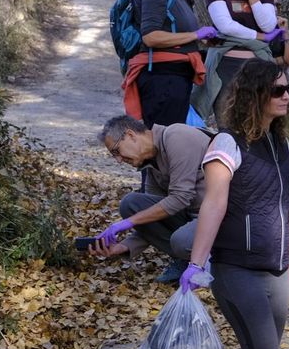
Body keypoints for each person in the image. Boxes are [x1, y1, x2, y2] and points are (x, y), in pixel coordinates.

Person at [180, 60, 289, 349]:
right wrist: (196, 264)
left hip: (274, 267)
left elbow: (283, 206)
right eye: (278, 90)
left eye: (288, 88)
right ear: (254, 95)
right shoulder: (226, 145)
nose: (286, 95)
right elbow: (213, 205)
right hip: (236, 267)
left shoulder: (280, 145)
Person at [91, 115, 212, 283]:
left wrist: (128, 222)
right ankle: (188, 260)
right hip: (192, 217)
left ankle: (211, 262)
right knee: (131, 204)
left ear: (131, 135)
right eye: (114, 156)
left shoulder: (177, 137)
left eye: (117, 151)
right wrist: (124, 246)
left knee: (181, 240)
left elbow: (180, 198)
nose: (118, 160)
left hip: (221, 216)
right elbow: (153, 217)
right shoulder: (151, 162)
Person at [128, 0, 210, 127]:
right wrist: (195, 35)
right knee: (163, 141)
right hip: (162, 80)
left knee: (172, 142)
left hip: (176, 78)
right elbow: (150, 36)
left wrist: (200, 39)